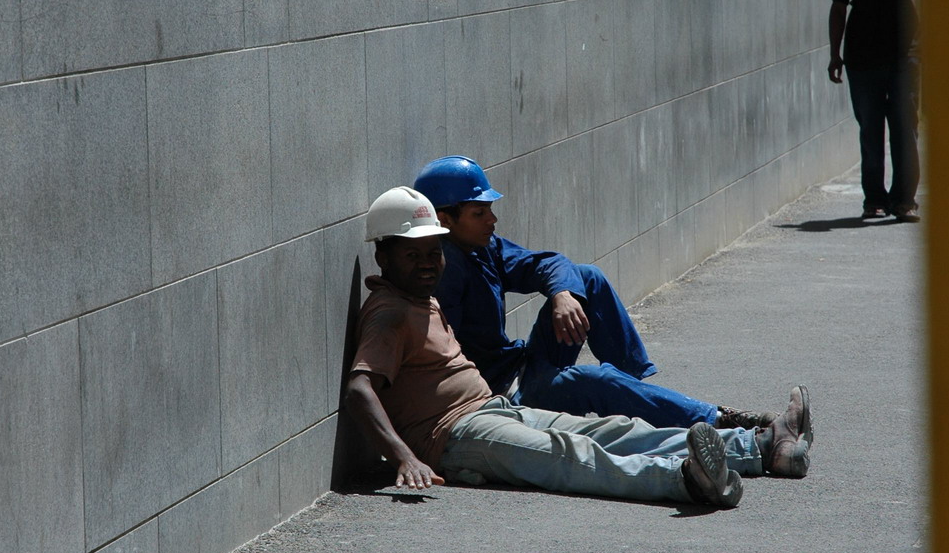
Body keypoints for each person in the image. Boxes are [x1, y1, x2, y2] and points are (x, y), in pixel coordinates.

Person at [344, 187, 814, 509]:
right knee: (569, 452)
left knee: (614, 430)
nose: (428, 264)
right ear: (383, 256)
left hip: (493, 408)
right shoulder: (390, 312)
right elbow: (360, 389)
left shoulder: (426, 291)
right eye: (412, 255)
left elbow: (547, 264)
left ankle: (760, 446)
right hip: (455, 437)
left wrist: (561, 293)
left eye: (434, 252)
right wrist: (404, 457)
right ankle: (686, 479)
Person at [412, 155, 773, 433]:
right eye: (479, 212)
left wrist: (562, 293)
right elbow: (444, 363)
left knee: (587, 278)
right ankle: (722, 421)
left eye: (490, 210)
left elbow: (547, 263)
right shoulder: (440, 272)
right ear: (444, 219)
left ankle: (634, 390)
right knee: (598, 381)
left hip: (519, 365)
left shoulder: (481, 246)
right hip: (506, 393)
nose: (492, 220)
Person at [825, 0, 920, 221]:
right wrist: (835, 54)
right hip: (863, 58)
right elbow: (838, 8)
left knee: (905, 127)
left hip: (904, 55)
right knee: (870, 129)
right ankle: (874, 200)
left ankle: (904, 200)